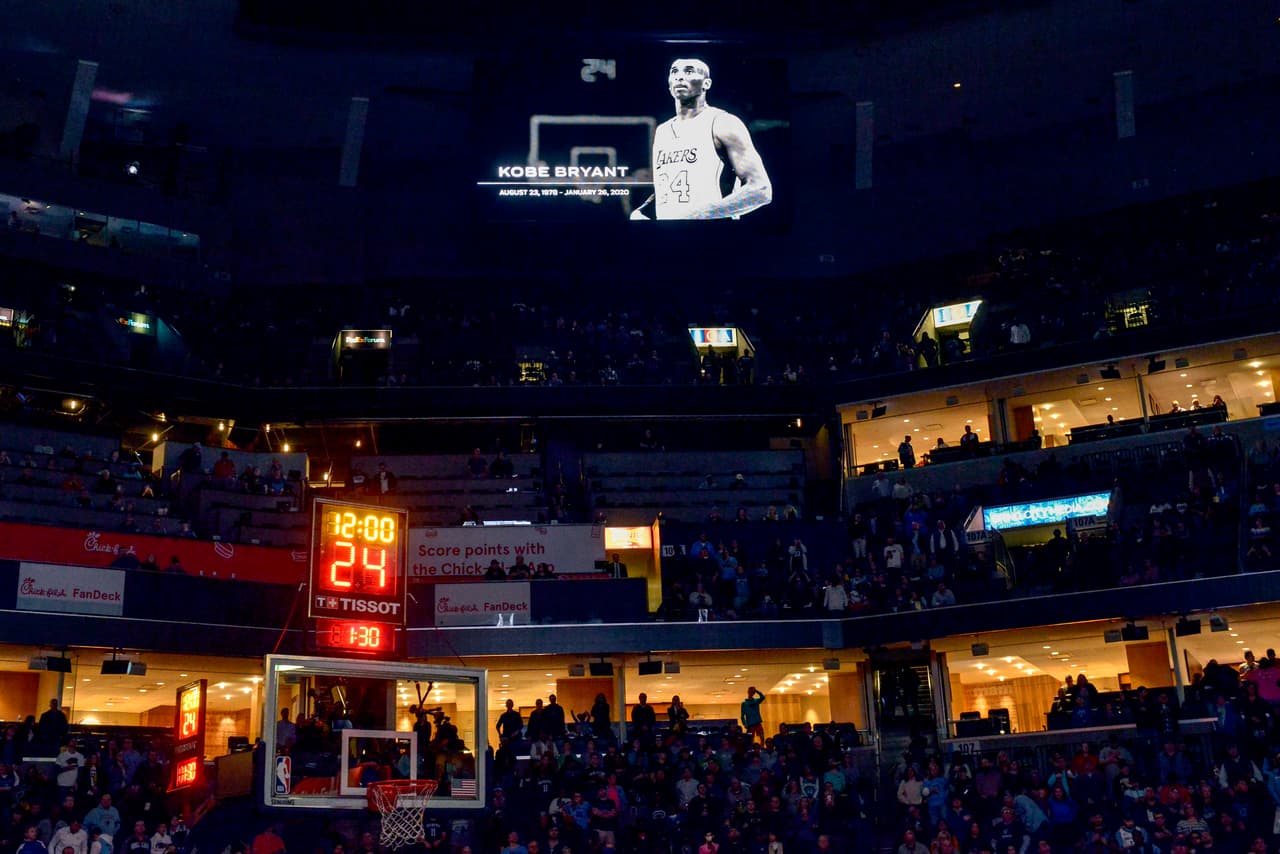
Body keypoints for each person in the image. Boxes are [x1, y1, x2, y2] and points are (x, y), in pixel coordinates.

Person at [631, 58, 772, 221]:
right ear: (669, 84)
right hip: (668, 238)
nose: (680, 77)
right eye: (674, 72)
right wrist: (643, 210)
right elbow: (671, 187)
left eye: (689, 71)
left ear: (707, 83)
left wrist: (700, 215)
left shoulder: (723, 122)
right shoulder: (662, 131)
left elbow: (761, 190)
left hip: (713, 237)